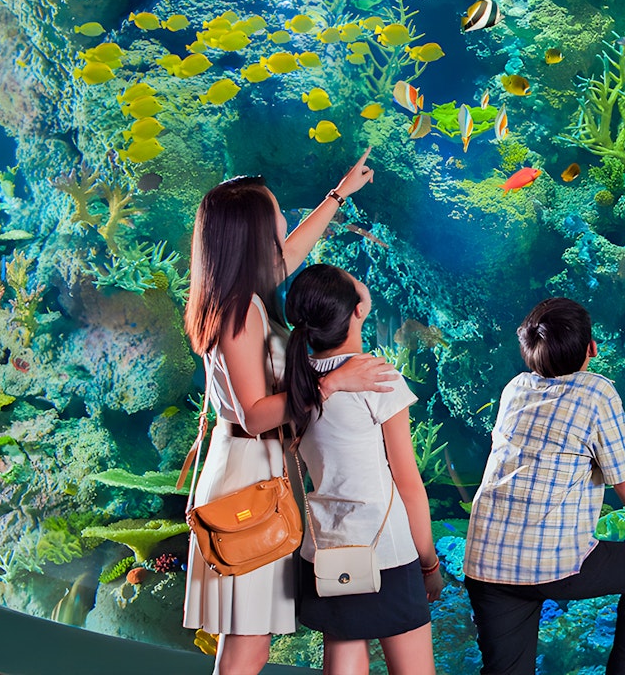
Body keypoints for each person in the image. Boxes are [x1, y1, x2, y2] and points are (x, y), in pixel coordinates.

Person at [182, 149, 398, 675]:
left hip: (260, 471)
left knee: (250, 639)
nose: (284, 221)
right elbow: (255, 415)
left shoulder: (242, 294)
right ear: (254, 232)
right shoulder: (239, 314)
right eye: (276, 213)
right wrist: (334, 380)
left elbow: (296, 250)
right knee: (250, 643)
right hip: (246, 477)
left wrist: (339, 194)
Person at [463, 297, 625, 675]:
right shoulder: (597, 392)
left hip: (485, 559)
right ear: (592, 348)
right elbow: (624, 478)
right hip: (554, 561)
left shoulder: (515, 388)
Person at [282, 263, 443, 675]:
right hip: (385, 550)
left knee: (344, 653)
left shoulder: (295, 385)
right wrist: (429, 563)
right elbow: (409, 484)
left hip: (326, 550)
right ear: (357, 310)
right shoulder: (377, 378)